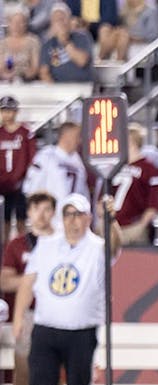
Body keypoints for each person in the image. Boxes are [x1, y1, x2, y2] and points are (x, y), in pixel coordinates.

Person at [11, 193, 121, 385]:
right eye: (68, 214)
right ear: (63, 218)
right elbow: (29, 281)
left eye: (78, 214)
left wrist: (112, 219)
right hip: (47, 325)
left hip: (82, 328)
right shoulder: (47, 245)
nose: (73, 220)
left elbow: (115, 247)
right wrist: (18, 317)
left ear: (87, 218)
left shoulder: (97, 246)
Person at [0, 192, 61, 385]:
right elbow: (5, 281)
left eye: (48, 209)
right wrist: (33, 283)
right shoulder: (18, 245)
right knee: (22, 377)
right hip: (28, 314)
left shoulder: (61, 243)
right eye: (38, 208)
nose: (42, 214)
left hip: (56, 315)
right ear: (29, 212)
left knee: (57, 380)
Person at [108, 124, 158, 246]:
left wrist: (141, 225)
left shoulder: (150, 169)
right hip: (113, 225)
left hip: (133, 227)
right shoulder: (114, 168)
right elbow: (104, 197)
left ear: (131, 141)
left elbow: (155, 203)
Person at [0, 97, 36, 225]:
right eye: (4, 110)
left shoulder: (25, 132)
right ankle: (5, 245)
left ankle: (21, 244)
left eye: (9, 110)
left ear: (16, 112)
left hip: (21, 183)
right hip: (2, 183)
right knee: (5, 219)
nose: (6, 114)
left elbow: (32, 157)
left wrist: (24, 178)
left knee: (21, 218)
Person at [38, 3, 93, 83]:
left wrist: (65, 42)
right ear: (52, 24)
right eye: (57, 20)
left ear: (69, 21)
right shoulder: (47, 44)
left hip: (82, 86)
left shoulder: (82, 37)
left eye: (63, 19)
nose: (60, 23)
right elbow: (44, 73)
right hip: (59, 89)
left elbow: (82, 61)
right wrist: (53, 90)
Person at [0, 5, 41, 82]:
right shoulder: (2, 43)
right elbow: (1, 68)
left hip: (28, 81)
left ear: (25, 23)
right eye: (13, 22)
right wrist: (9, 76)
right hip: (6, 81)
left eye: (20, 22)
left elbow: (35, 67)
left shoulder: (33, 41)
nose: (17, 25)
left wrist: (22, 77)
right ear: (9, 23)